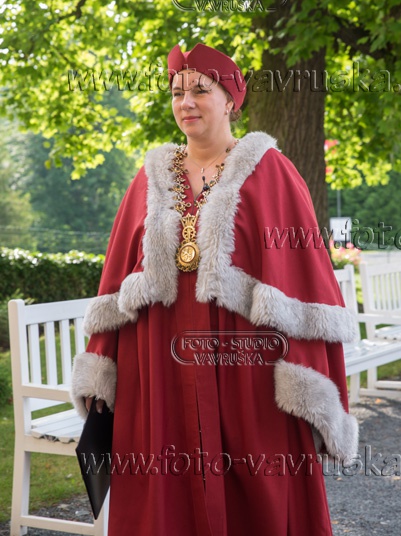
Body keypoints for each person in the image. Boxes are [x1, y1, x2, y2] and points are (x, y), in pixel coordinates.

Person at [71, 43, 359, 536]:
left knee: (257, 485)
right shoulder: (149, 178)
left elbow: (307, 281)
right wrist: (101, 365)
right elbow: (115, 282)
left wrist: (312, 380)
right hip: (156, 364)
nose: (186, 102)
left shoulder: (272, 172)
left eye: (200, 91)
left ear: (230, 101)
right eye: (177, 92)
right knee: (164, 486)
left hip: (246, 367)